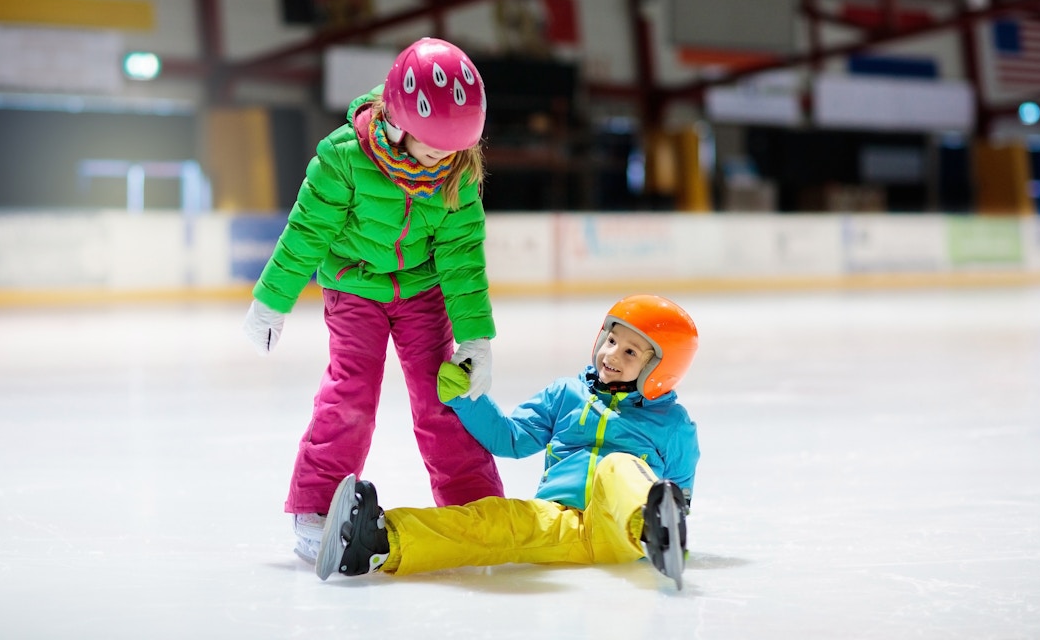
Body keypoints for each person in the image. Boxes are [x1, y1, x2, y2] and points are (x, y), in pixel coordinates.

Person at [242, 37, 505, 563]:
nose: (443, 158)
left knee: (443, 398)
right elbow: (306, 233)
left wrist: (475, 335)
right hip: (354, 287)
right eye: (433, 145)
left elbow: (461, 257)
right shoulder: (343, 158)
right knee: (351, 394)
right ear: (399, 120)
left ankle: (473, 504)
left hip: (422, 291)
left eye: (454, 147)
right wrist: (272, 300)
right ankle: (316, 507)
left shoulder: (456, 172)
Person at [314, 294, 701, 589]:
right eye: (611, 339)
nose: (611, 354)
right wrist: (468, 400)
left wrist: (666, 517)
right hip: (558, 521)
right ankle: (379, 540)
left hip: (622, 530)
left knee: (618, 468)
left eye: (631, 351)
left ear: (660, 369)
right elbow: (511, 438)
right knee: (494, 519)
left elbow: (679, 493)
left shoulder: (673, 425)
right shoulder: (566, 395)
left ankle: (655, 530)